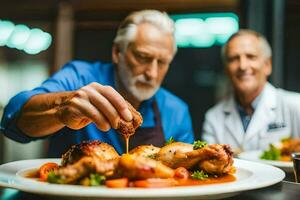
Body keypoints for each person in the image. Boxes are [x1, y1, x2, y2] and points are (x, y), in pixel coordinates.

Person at [0, 10, 194, 157]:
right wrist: (62, 108)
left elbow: (183, 176)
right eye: (143, 57)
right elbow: (12, 121)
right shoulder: (81, 77)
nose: (152, 73)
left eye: (162, 63)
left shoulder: (176, 111)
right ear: (117, 52)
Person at [202, 29, 300, 152]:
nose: (242, 66)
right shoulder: (213, 118)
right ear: (226, 70)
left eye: (251, 57)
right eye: (234, 59)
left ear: (267, 65)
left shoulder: (296, 106)